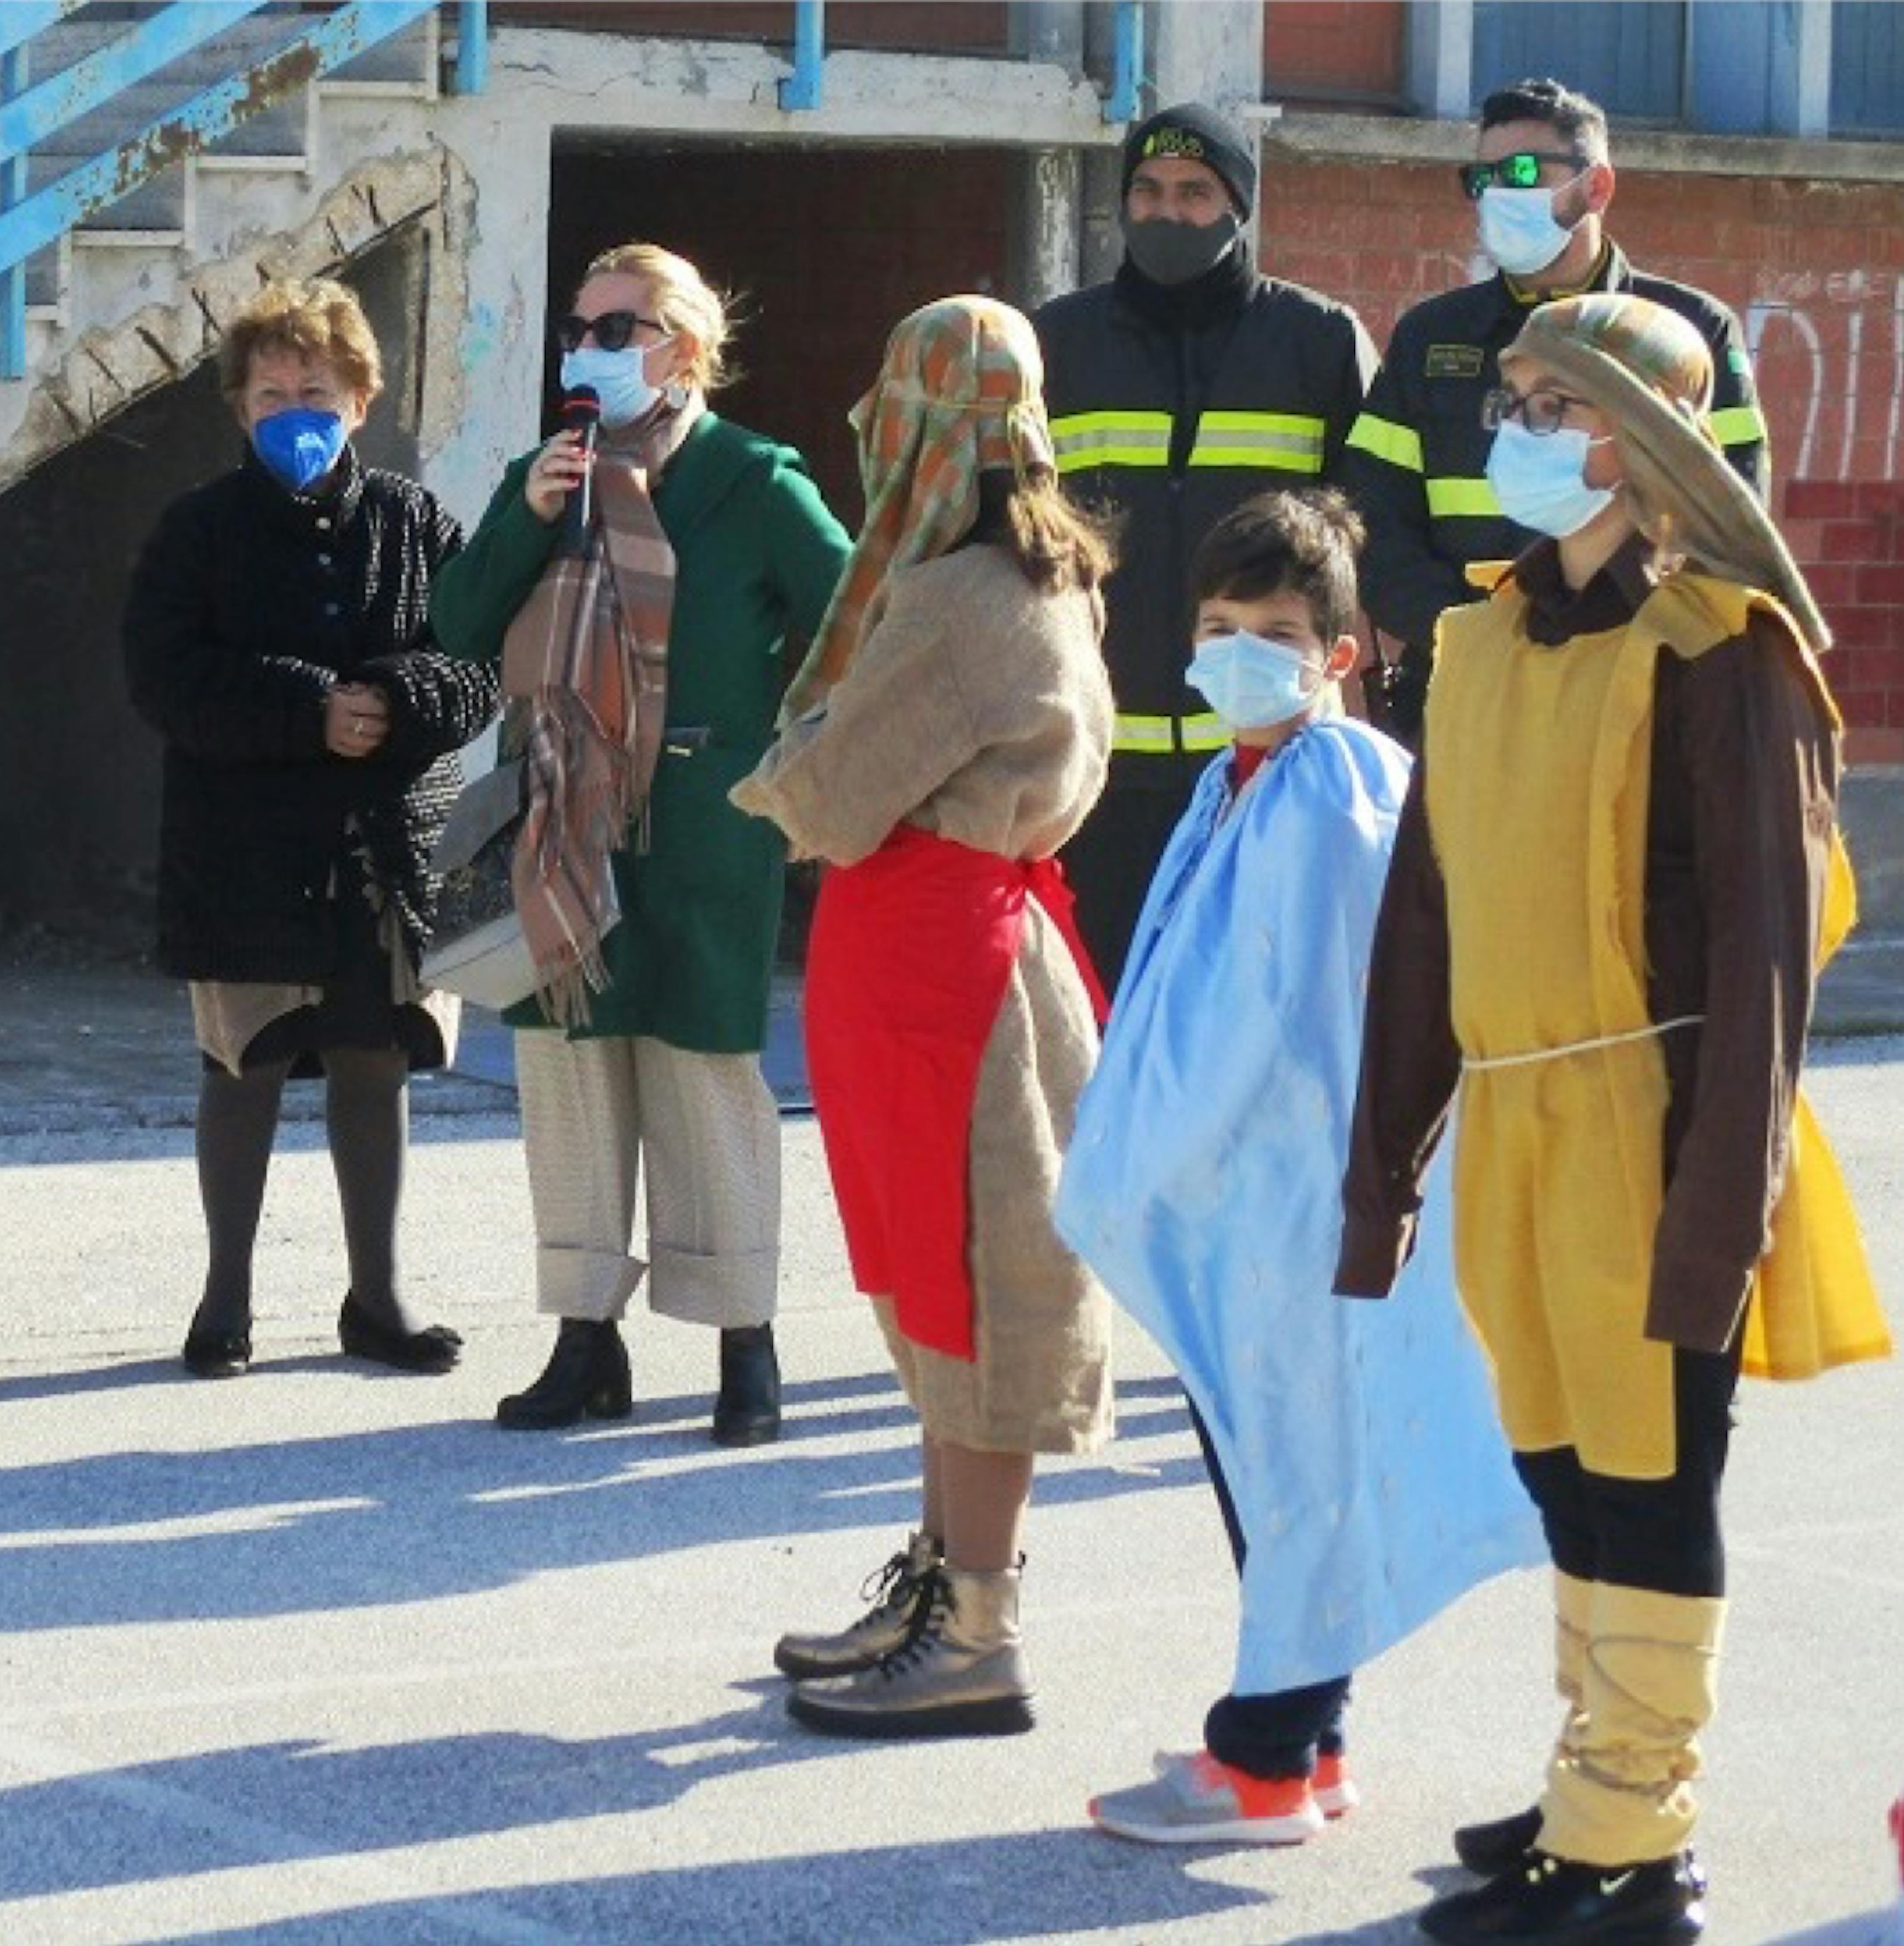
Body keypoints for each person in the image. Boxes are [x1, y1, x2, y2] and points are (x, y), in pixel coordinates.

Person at [1338, 293, 1886, 1941]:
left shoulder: (1725, 653)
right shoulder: (1481, 639)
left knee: (1651, 1483)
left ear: (1637, 439)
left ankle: (1634, 1849)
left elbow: (1766, 960)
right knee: (1566, 1480)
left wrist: (1719, 1214)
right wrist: (1384, 1172)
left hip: (1651, 1135)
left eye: (1543, 403)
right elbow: (1424, 926)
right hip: (1514, 1128)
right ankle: (1592, 1780)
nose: (1505, 427)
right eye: (1503, 397)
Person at [1060, 490, 1534, 1846]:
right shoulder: (1249, 774)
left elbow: (1275, 1015)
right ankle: (1304, 1736)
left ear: (1342, 650)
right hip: (1255, 1204)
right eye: (1216, 627)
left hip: (1292, 1198)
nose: (1236, 653)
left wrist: (1136, 1158)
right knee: (1276, 1462)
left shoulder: (1333, 787)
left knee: (1294, 1464)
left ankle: (1263, 1755)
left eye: (1274, 630)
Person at [732, 294, 1112, 1737]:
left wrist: (775, 779)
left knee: (970, 1284)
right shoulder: (1044, 566)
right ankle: (942, 1584)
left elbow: (832, 789)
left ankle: (976, 1631)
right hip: (955, 941)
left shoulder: (958, 594)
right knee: (935, 1279)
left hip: (943, 961)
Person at [429, 243, 852, 1448]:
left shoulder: (754, 479)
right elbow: (460, 625)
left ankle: (744, 1341)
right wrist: (532, 513)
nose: (591, 351)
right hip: (561, 814)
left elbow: (848, 625)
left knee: (705, 1076)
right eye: (581, 328)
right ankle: (583, 1338)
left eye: (620, 331)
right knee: (567, 1076)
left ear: (686, 347)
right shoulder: (544, 474)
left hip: (705, 822)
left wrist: (786, 766)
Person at [122, 278, 495, 1379]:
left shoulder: (417, 521)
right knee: (243, 1064)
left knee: (374, 1060)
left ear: (361, 400)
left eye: (317, 389)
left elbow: (479, 664)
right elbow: (163, 677)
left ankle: (376, 1298)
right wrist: (303, 709)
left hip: (389, 852)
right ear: (238, 407)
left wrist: (396, 700)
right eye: (273, 390)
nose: (296, 409)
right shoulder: (193, 530)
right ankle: (223, 1298)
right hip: (242, 852)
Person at [1036, 102, 1378, 988]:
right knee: (1109, 1023)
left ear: (1240, 207)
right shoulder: (1058, 342)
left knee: (1264, 1007)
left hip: (1268, 759)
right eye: (1146, 191)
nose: (1166, 212)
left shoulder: (1318, 340)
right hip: (1101, 769)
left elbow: (1360, 539)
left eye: (1195, 192)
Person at [1335, 77, 1769, 744]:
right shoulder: (1431, 338)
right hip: (1464, 686)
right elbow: (1369, 521)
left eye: (1526, 171)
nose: (1501, 193)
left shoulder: (1686, 331)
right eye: (1484, 178)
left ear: (1596, 188)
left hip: (1636, 684)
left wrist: (1616, 627)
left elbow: (1732, 514)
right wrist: (1479, 631)